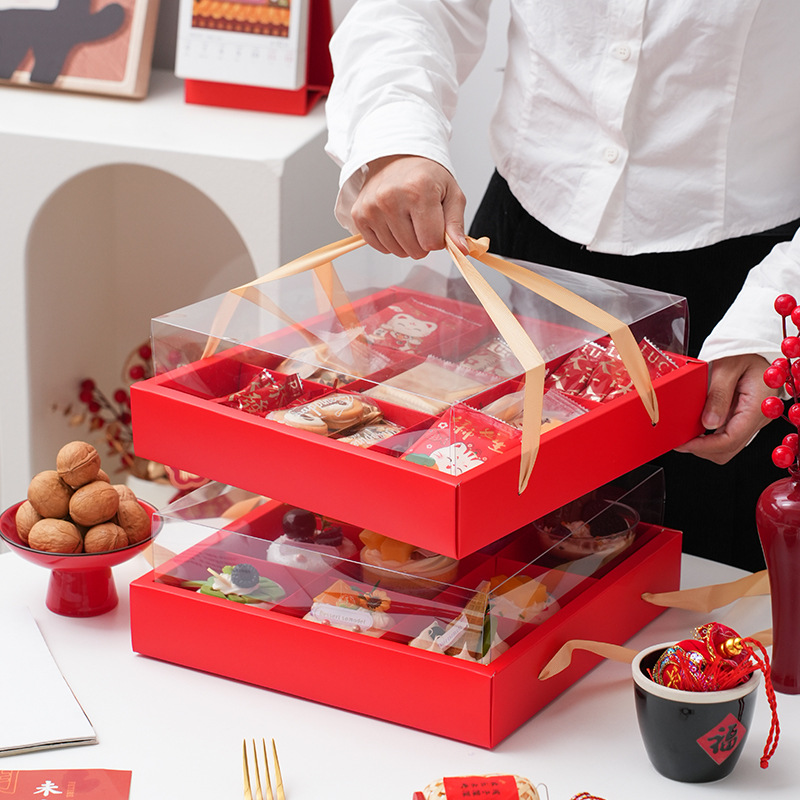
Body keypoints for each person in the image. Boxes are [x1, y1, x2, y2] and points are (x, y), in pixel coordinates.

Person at [325, 0, 800, 571]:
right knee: (471, 563)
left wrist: (773, 319)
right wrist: (397, 141)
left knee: (703, 579)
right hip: (518, 251)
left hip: (743, 298)